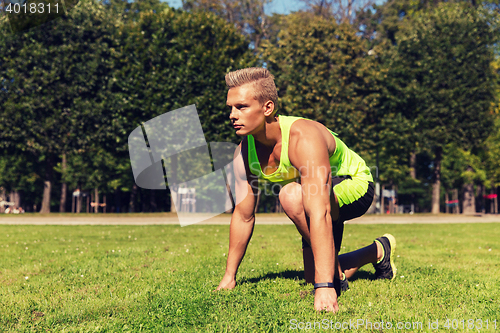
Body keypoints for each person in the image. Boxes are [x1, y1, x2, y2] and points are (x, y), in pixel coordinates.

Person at [216, 67, 397, 313]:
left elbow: (319, 211)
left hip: (355, 184)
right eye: (230, 108)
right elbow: (243, 215)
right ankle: (379, 251)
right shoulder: (243, 152)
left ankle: (333, 276)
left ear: (267, 108)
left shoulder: (304, 137)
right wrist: (229, 277)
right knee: (314, 273)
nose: (232, 115)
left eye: (242, 107)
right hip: (312, 196)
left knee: (290, 196)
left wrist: (324, 287)